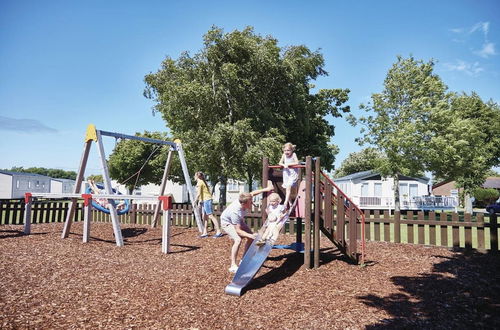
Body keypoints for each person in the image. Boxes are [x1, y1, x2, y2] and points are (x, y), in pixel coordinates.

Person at [220, 183, 274, 273]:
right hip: (227, 223)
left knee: (251, 238)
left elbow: (253, 193)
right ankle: (233, 265)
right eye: (250, 202)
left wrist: (267, 189)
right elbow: (238, 230)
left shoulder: (245, 199)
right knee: (238, 240)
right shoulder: (236, 212)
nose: (252, 202)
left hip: (238, 221)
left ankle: (243, 260)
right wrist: (250, 235)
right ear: (244, 204)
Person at [194, 171, 222, 238]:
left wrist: (194, 201)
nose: (194, 177)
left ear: (197, 176)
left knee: (210, 216)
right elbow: (202, 194)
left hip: (207, 200)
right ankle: (205, 232)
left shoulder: (200, 182)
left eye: (195, 175)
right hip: (205, 200)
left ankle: (219, 231)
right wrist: (199, 202)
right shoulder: (202, 182)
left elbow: (198, 194)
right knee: (205, 216)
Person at [279, 142, 299, 208]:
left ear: (292, 150)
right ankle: (290, 203)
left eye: (288, 150)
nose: (286, 152)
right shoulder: (283, 155)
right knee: (286, 188)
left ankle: (285, 202)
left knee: (288, 187)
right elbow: (280, 163)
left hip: (292, 173)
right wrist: (284, 164)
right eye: (285, 150)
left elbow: (297, 162)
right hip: (286, 173)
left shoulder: (294, 154)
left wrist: (289, 164)